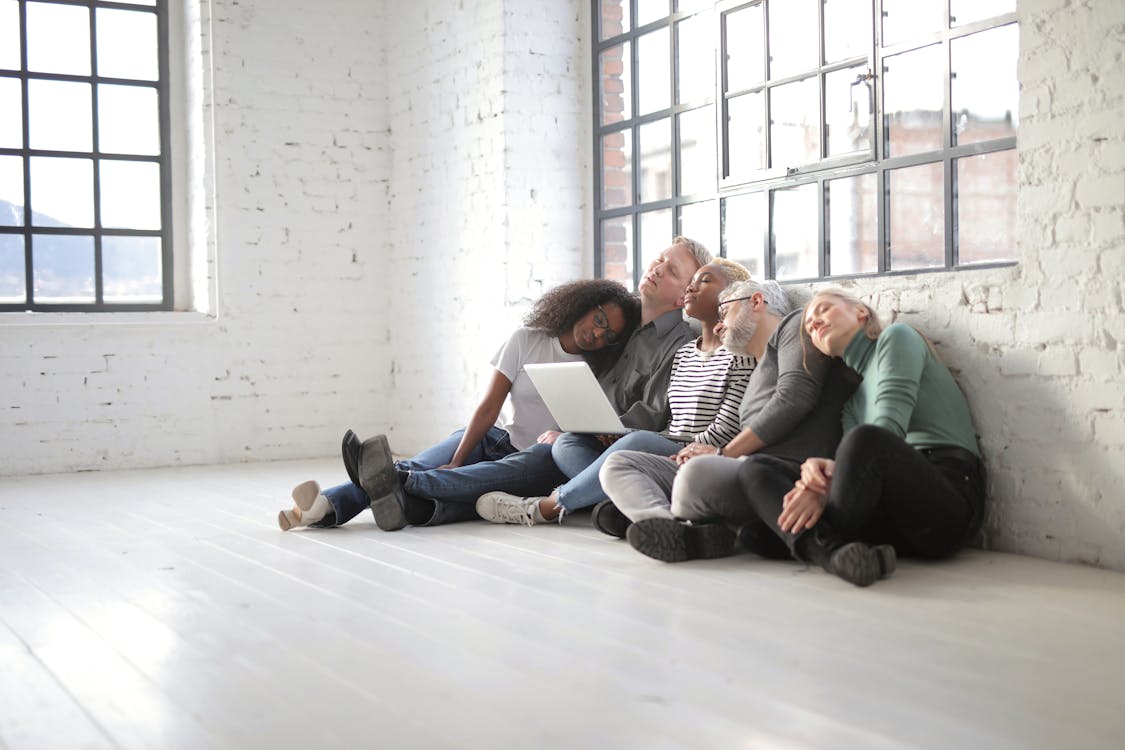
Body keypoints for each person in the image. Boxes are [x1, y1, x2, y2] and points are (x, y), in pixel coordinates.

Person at [275, 279, 640, 532]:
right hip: (497, 438)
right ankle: (319, 508)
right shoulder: (525, 340)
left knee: (408, 475)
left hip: (540, 458)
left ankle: (380, 486)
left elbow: (594, 427)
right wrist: (461, 453)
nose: (597, 334)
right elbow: (488, 408)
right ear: (583, 305)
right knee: (434, 463)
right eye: (599, 320)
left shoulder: (599, 369)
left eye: (607, 335)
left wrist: (564, 432)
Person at [734, 289, 986, 587]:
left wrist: (821, 486)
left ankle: (814, 545)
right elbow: (858, 474)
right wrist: (817, 478)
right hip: (892, 518)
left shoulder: (897, 338)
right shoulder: (852, 403)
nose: (814, 323)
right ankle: (834, 554)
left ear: (860, 312)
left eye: (824, 310)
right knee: (757, 471)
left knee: (865, 441)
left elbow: (885, 433)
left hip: (947, 503)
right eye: (809, 326)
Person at [475, 258, 754, 525]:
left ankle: (545, 507)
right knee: (567, 444)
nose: (691, 287)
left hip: (693, 451)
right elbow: (673, 420)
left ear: (731, 296)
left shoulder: (740, 357)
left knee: (629, 447)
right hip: (667, 445)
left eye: (703, 281)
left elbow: (722, 433)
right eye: (690, 281)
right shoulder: (684, 354)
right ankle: (613, 503)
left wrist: (634, 437)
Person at [598, 278, 848, 558]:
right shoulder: (755, 367)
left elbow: (794, 399)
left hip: (774, 475)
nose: (717, 327)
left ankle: (680, 527)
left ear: (756, 302)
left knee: (696, 474)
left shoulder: (795, 325)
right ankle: (670, 528)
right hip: (743, 468)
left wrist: (722, 453)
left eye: (724, 313)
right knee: (619, 463)